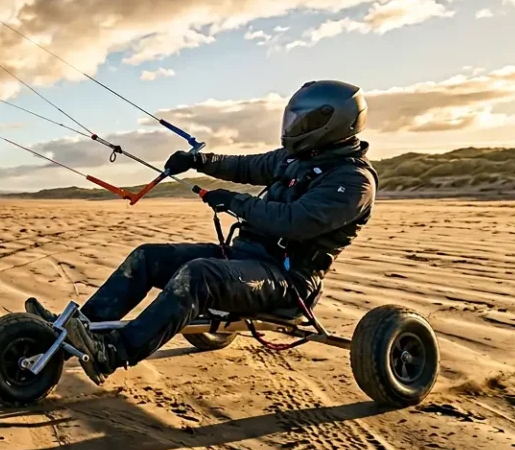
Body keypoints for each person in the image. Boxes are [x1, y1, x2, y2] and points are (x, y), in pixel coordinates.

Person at [26, 80, 378, 385]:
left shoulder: (353, 181)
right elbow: (246, 166)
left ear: (333, 122)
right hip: (245, 258)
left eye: (303, 121)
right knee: (147, 257)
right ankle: (75, 333)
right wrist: (198, 161)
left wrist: (235, 202)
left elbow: (295, 221)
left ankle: (113, 353)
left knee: (198, 276)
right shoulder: (295, 157)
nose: (294, 126)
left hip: (288, 282)